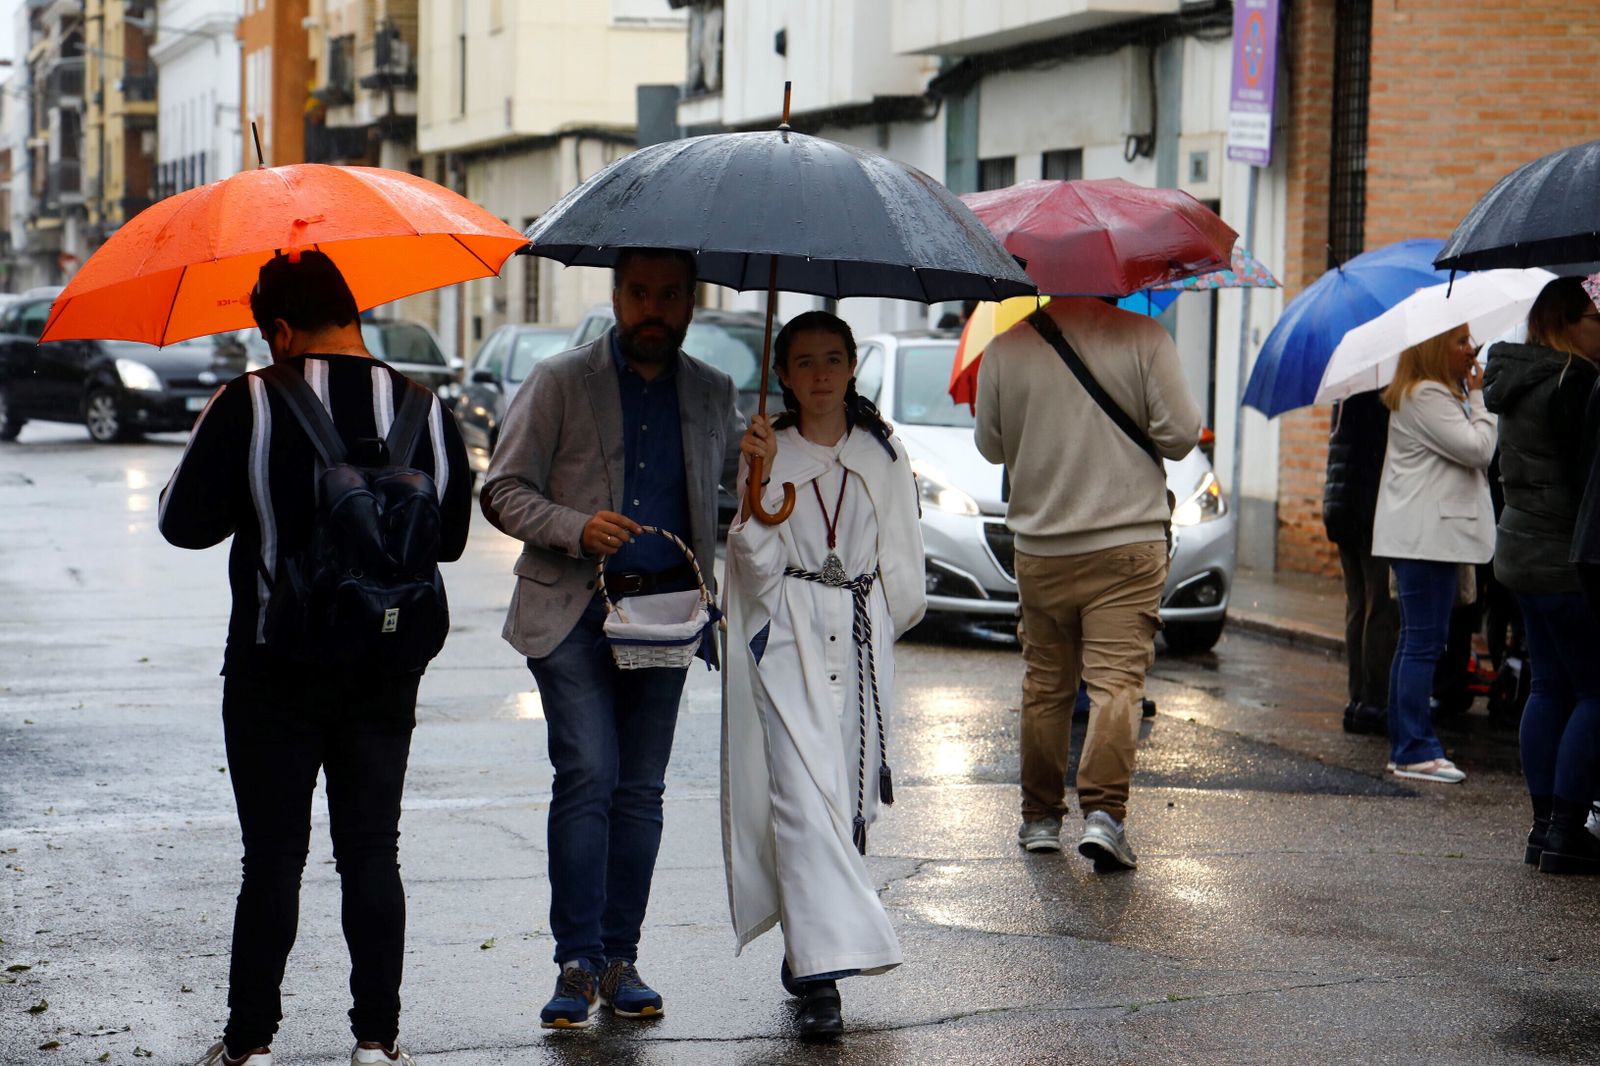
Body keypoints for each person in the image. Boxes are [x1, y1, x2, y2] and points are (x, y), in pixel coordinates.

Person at [159, 250, 472, 1066]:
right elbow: (455, 538)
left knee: (272, 857)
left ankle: (250, 1042)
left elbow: (181, 523)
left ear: (283, 330)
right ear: (355, 312)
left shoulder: (247, 403)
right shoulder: (425, 409)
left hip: (274, 667)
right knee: (372, 848)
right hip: (387, 664)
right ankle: (377, 1039)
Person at [480, 248, 742, 1029]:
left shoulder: (714, 392)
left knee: (641, 792)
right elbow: (500, 488)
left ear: (691, 302)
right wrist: (575, 527)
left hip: (666, 616)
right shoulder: (561, 380)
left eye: (669, 295)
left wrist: (757, 473)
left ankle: (620, 957)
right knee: (589, 774)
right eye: (639, 293)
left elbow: (732, 511)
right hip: (570, 614)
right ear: (616, 295)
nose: (653, 309)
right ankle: (577, 961)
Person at [722, 311, 925, 1041]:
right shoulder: (767, 452)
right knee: (802, 805)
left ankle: (806, 947)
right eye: (803, 362)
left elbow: (903, 561)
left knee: (843, 804)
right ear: (782, 372)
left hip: (861, 641)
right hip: (793, 646)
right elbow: (757, 567)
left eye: (833, 360)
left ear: (851, 368)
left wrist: (878, 620)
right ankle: (821, 982)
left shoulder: (883, 454)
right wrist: (756, 492)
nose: (819, 375)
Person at [975, 296, 1201, 868]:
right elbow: (1180, 435)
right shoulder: (1145, 336)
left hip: (1041, 547)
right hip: (1126, 543)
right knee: (1116, 682)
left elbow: (990, 446)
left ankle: (1041, 819)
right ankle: (1103, 816)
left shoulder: (1006, 345)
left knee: (1046, 686)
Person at [1483, 276, 1600, 872]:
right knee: (1595, 691)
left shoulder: (1517, 378)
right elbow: (1590, 487)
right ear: (1566, 323)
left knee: (1550, 685)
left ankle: (1542, 826)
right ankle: (1567, 831)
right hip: (1565, 558)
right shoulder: (1574, 383)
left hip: (1521, 554)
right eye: (1597, 321)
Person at [1372, 323, 1495, 785]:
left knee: (1416, 642)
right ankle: (1414, 749)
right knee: (1423, 644)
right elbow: (1478, 449)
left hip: (1425, 538)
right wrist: (1480, 400)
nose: (1471, 349)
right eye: (1461, 341)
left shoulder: (1433, 393)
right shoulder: (1426, 395)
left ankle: (1407, 746)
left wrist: (1467, 395)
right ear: (1433, 348)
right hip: (1424, 540)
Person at [1321, 390, 1395, 735]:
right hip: (1368, 509)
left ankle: (1357, 700)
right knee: (1379, 604)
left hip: (1341, 504)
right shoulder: (1381, 394)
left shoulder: (1347, 387)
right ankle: (1374, 702)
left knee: (1357, 603)